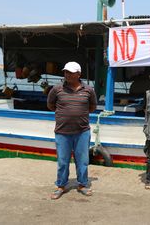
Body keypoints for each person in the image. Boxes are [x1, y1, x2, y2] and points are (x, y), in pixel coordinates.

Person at [47, 61, 97, 200]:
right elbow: (51, 105)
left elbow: (92, 106)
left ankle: (82, 184)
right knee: (63, 161)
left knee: (83, 161)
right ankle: (61, 186)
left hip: (82, 132)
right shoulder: (57, 89)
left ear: (79, 74)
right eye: (66, 72)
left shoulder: (88, 90)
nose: (67, 74)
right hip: (62, 132)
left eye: (70, 72)